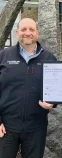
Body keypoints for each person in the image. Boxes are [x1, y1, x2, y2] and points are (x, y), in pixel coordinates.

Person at [0, 18, 57, 158]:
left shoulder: (49, 58)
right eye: (24, 29)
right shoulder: (3, 56)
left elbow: (56, 89)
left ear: (37, 33)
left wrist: (53, 102)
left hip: (36, 127)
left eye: (31, 29)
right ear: (17, 32)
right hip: (6, 126)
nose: (27, 33)